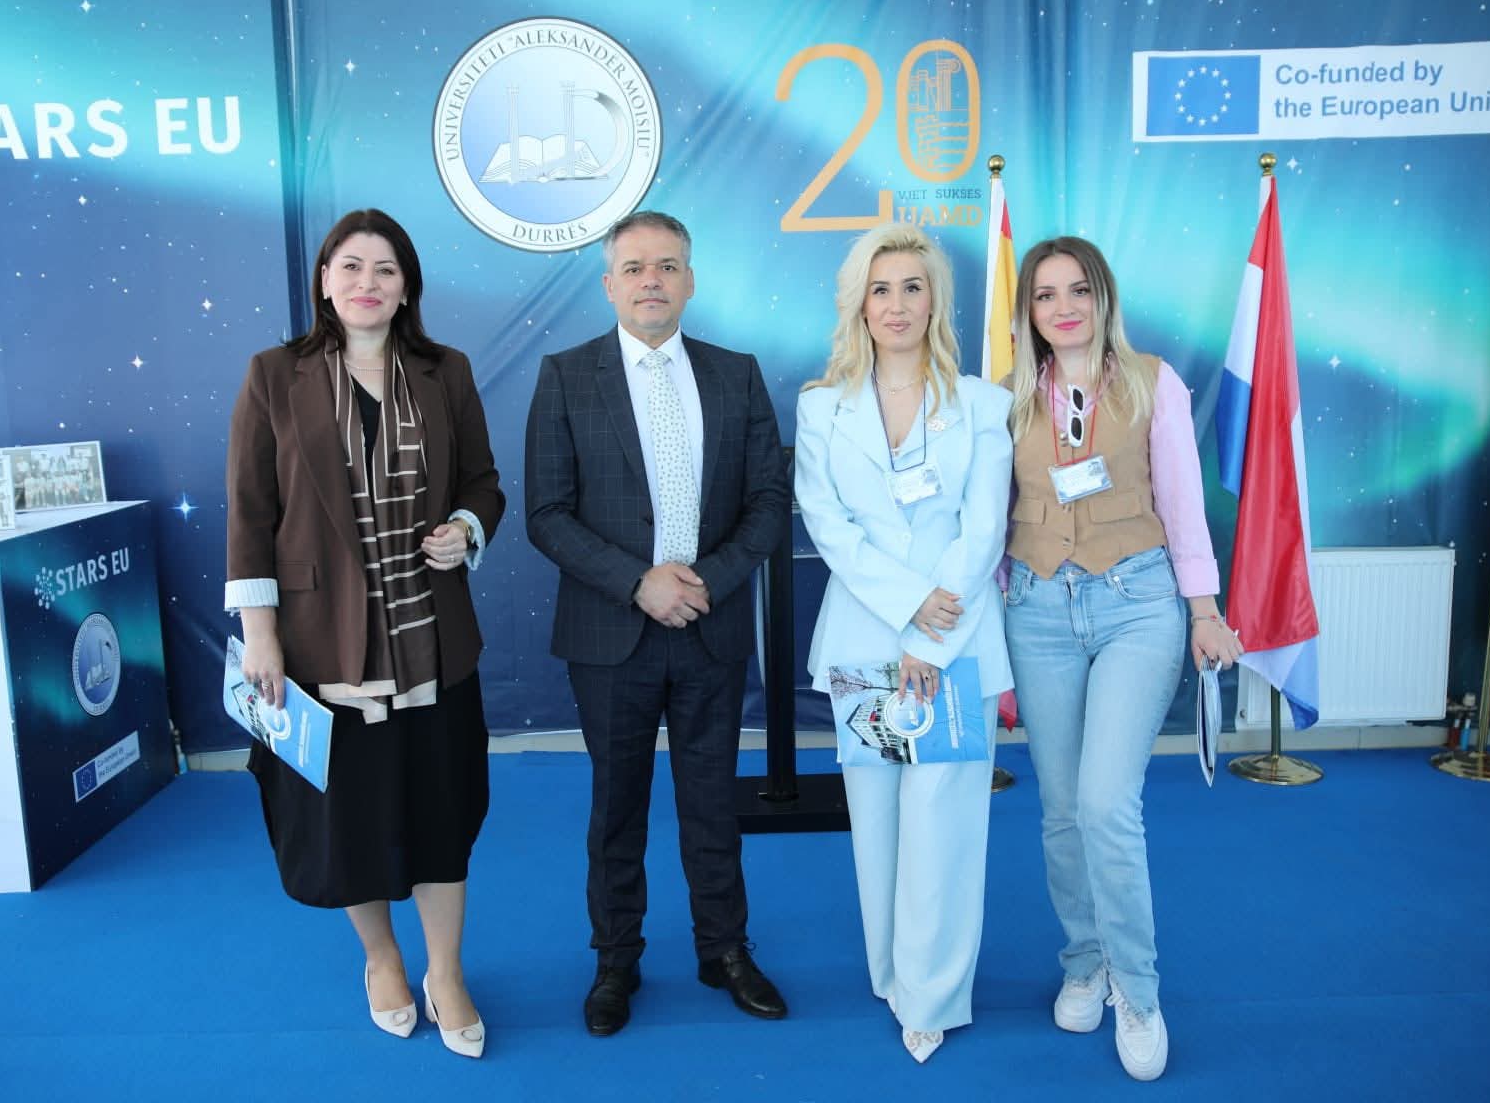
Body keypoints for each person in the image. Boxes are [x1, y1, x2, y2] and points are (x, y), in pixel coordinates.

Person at [225, 208, 504, 1058]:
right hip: (322, 647)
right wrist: (261, 635)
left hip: (432, 643)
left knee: (441, 814)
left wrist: (465, 528)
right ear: (323, 281)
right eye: (349, 267)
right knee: (348, 820)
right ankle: (382, 960)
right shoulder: (275, 375)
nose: (366, 283)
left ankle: (445, 971)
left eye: (385, 269)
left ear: (407, 286)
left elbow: (484, 483)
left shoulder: (445, 371)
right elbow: (250, 514)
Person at [525, 210, 791, 1037]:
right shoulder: (566, 376)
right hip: (613, 634)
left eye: (668, 265)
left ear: (690, 280)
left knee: (713, 803)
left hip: (709, 624)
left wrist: (705, 581)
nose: (652, 280)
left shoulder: (736, 375)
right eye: (636, 267)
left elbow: (768, 501)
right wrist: (638, 583)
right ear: (610, 284)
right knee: (617, 808)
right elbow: (546, 513)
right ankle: (616, 961)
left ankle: (725, 950)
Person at [999, 236, 1244, 1082]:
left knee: (1106, 804)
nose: (1063, 307)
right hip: (1037, 611)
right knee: (1062, 809)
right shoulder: (1007, 396)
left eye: (1078, 290)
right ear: (1028, 310)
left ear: (1103, 297)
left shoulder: (1152, 382)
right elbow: (990, 514)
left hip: (1137, 604)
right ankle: (1085, 963)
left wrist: (1204, 609)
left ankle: (1137, 991)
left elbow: (1182, 499)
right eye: (1045, 295)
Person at [793, 222, 1013, 1064]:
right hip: (863, 642)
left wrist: (930, 632)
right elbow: (830, 528)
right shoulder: (822, 407)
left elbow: (983, 530)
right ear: (859, 303)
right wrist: (911, 609)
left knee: (943, 824)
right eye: (880, 289)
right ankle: (892, 973)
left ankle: (933, 996)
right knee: (878, 821)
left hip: (954, 645)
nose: (895, 305)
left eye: (911, 288)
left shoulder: (983, 404)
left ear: (935, 301)